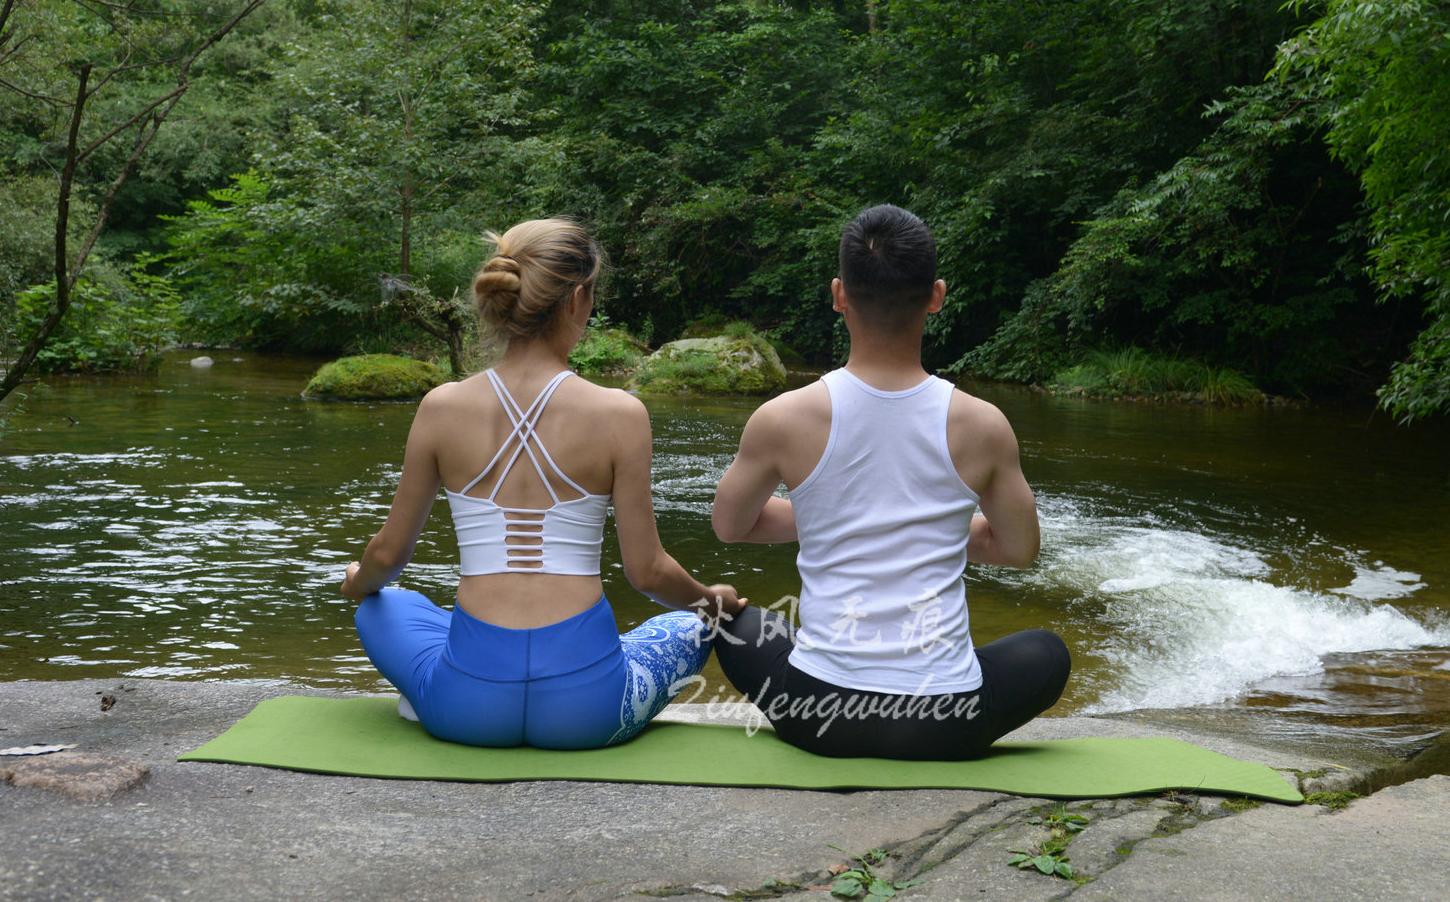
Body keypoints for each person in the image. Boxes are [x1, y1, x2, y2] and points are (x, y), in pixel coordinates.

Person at [341, 218, 746, 749]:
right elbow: (648, 573)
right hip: (589, 716)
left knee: (383, 604)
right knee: (690, 624)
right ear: (578, 298)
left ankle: (437, 684)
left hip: (465, 710)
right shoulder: (621, 413)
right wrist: (710, 600)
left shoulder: (441, 406)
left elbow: (389, 553)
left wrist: (357, 581)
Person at [709, 204, 1069, 759]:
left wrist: (840, 522)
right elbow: (1019, 550)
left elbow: (731, 527)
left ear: (838, 295)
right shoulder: (983, 425)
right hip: (944, 720)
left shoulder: (782, 418)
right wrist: (932, 529)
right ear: (937, 295)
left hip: (819, 715)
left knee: (728, 617)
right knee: (1047, 652)